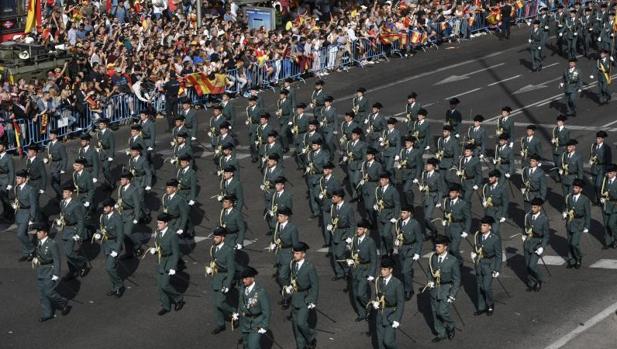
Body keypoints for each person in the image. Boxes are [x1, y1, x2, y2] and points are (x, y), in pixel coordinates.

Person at [32, 223, 71, 322]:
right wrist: (36, 259)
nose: (37, 233)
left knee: (49, 292)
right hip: (41, 270)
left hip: (50, 270)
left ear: (45, 233)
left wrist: (56, 274)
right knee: (42, 294)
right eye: (37, 232)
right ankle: (47, 313)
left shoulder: (52, 243)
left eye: (40, 232)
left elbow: (57, 260)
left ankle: (63, 303)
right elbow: (39, 254)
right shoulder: (39, 242)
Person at [284, 242, 319, 349]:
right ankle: (301, 346)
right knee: (297, 329)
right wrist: (290, 287)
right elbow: (293, 279)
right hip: (295, 298)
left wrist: (312, 300)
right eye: (294, 253)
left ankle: (311, 337)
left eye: (297, 253)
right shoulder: (293, 265)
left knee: (301, 323)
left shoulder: (309, 267)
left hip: (305, 298)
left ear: (303, 254)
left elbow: (315, 285)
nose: (295, 255)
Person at [428, 235, 461, 343]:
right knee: (434, 312)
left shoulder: (452, 260)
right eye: (436, 246)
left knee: (442, 312)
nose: (436, 248)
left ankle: (451, 326)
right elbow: (430, 271)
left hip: (446, 288)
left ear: (445, 247)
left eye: (439, 246)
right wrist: (430, 281)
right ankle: (441, 333)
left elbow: (457, 279)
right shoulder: (433, 257)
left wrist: (452, 295)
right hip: (435, 289)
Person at [151, 212, 185, 316]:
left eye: (160, 223)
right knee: (160, 286)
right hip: (161, 260)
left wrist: (173, 267)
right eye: (157, 223)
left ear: (166, 223)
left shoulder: (172, 235)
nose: (158, 225)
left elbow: (175, 253)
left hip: (170, 260)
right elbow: (159, 246)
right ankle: (166, 306)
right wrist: (155, 250)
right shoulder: (158, 233)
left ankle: (178, 298)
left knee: (165, 285)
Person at [232, 266, 271, 349]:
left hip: (256, 323)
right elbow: (241, 303)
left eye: (246, 278)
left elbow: (266, 310)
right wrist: (237, 313)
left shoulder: (260, 292)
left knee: (253, 346)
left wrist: (264, 326)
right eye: (243, 278)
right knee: (246, 345)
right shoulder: (242, 289)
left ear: (252, 278)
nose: (243, 280)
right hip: (244, 322)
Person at [370, 256, 404, 349]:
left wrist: (397, 319)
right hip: (380, 314)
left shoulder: (397, 284)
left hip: (391, 315)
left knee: (388, 341)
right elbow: (378, 295)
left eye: (385, 270)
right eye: (381, 269)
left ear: (391, 270)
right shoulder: (378, 280)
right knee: (380, 343)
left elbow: (401, 303)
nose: (382, 271)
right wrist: (376, 302)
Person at [58, 183, 90, 280]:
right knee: (67, 253)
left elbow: (80, 220)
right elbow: (63, 214)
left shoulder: (75, 205)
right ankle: (72, 271)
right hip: (66, 229)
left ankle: (83, 263)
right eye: (64, 192)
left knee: (69, 252)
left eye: (66, 192)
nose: (64, 194)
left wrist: (78, 234)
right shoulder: (62, 203)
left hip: (73, 229)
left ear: (71, 193)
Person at [269, 207, 299, 308]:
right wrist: (273, 244)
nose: (278, 217)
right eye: (278, 215)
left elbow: (295, 244)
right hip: (280, 254)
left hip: (288, 254)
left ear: (286, 217)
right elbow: (275, 237)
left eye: (281, 216)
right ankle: (288, 294)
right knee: (284, 277)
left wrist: (295, 257)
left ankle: (287, 296)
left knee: (282, 276)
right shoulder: (278, 225)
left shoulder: (292, 228)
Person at [472, 217, 502, 316]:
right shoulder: (478, 236)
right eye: (481, 225)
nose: (482, 227)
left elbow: (498, 255)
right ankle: (481, 307)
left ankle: (490, 304)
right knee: (479, 287)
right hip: (479, 264)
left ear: (489, 227)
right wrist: (474, 254)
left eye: (484, 225)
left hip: (489, 264)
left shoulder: (495, 238)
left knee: (486, 287)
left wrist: (497, 269)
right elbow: (476, 247)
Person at [347, 220, 377, 322]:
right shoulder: (354, 240)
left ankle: (369, 307)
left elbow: (374, 259)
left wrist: (372, 273)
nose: (358, 231)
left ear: (365, 230)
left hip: (365, 269)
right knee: (355, 294)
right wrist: (350, 260)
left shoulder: (370, 242)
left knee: (361, 293)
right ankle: (362, 313)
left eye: (360, 229)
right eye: (357, 229)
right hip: (355, 269)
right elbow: (353, 253)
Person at [95, 197, 125, 297]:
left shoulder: (117, 218)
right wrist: (99, 234)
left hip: (115, 244)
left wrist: (116, 250)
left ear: (112, 208)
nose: (104, 209)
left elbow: (120, 235)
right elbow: (102, 229)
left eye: (106, 207)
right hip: (106, 244)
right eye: (104, 207)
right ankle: (114, 287)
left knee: (109, 267)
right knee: (112, 267)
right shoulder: (103, 217)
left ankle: (119, 285)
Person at [394, 206, 422, 301]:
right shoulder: (399, 222)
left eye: (404, 213)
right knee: (405, 270)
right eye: (401, 212)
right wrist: (397, 241)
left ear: (409, 213)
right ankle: (408, 284)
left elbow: (419, 239)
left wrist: (417, 252)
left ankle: (408, 290)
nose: (402, 214)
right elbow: (398, 233)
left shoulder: (415, 224)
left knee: (405, 271)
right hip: (402, 249)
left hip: (411, 249)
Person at [523, 198, 550, 292]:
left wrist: (542, 247)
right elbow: (525, 227)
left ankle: (539, 279)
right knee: (527, 265)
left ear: (539, 208)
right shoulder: (528, 216)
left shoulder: (544, 219)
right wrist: (524, 235)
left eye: (535, 207)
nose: (532, 209)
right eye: (532, 207)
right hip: (528, 242)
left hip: (537, 244)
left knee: (532, 265)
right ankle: (531, 283)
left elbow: (546, 235)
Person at [328, 188, 355, 280]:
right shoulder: (333, 207)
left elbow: (352, 224)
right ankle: (339, 273)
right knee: (335, 254)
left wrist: (350, 236)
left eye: (334, 197)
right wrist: (330, 226)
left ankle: (347, 271)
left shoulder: (348, 208)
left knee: (340, 254)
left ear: (340, 198)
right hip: (335, 233)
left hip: (344, 233)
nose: (332, 198)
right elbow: (333, 219)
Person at [563, 179, 591, 269]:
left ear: (580, 189)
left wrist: (587, 226)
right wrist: (564, 213)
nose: (574, 189)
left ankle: (578, 258)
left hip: (579, 223)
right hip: (570, 222)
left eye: (576, 188)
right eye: (574, 187)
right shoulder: (569, 197)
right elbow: (566, 207)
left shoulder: (585, 199)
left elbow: (588, 214)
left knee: (574, 243)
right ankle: (571, 260)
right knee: (569, 243)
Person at [441, 184, 471, 266]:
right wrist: (444, 219)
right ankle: (452, 262)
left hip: (458, 227)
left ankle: (460, 260)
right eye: (450, 192)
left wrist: (466, 230)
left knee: (454, 248)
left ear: (457, 194)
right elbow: (446, 211)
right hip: (448, 226)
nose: (451, 194)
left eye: (453, 192)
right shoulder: (447, 201)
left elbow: (468, 218)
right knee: (449, 247)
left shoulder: (463, 204)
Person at [14, 169, 38, 262]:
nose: (17, 180)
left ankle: (32, 249)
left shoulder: (30, 189)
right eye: (16, 178)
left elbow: (33, 205)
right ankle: (27, 253)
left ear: (24, 179)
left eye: (19, 178)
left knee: (20, 234)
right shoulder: (17, 188)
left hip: (27, 213)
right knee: (23, 234)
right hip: (19, 213)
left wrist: (32, 217)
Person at [482, 170, 509, 236]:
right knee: (487, 232)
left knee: (495, 231)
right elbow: (484, 196)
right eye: (489, 177)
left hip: (497, 212)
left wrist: (503, 215)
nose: (489, 179)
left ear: (496, 178)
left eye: (491, 177)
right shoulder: (487, 186)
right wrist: (484, 202)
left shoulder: (502, 189)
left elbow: (505, 203)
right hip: (488, 212)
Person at [590, 131, 612, 204]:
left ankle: (600, 199)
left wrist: (608, 171)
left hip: (602, 168)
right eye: (597, 138)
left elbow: (609, 160)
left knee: (598, 185)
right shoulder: (593, 146)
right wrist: (591, 161)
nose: (597, 140)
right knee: (594, 185)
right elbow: (591, 155)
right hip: (594, 168)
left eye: (599, 138)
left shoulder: (606, 148)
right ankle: (597, 199)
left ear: (603, 139)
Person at [45, 129, 67, 200]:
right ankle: (59, 195)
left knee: (53, 183)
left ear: (56, 135)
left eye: (51, 134)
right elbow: (50, 155)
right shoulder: (50, 144)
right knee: (57, 182)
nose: (50, 135)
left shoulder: (60, 145)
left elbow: (64, 157)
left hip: (58, 164)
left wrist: (63, 168)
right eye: (50, 134)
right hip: (53, 164)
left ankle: (62, 195)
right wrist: (47, 160)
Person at [96, 118, 116, 188]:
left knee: (106, 168)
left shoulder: (110, 133)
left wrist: (111, 156)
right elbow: (100, 143)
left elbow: (112, 146)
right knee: (104, 170)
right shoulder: (99, 133)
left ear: (105, 125)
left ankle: (112, 182)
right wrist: (98, 149)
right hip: (102, 153)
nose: (99, 125)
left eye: (101, 124)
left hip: (108, 153)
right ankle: (108, 183)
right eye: (99, 124)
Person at [601, 165, 617, 249]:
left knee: (611, 224)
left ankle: (615, 239)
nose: (608, 175)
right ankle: (608, 242)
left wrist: (609, 195)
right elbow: (602, 190)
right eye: (608, 173)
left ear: (615, 173)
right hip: (607, 205)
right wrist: (603, 197)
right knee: (606, 224)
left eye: (610, 173)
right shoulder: (605, 180)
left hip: (615, 206)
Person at [0, 141, 15, 221]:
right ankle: (6, 213)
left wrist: (10, 183)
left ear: (4, 147)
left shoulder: (8, 157)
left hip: (5, 179)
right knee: (2, 199)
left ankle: (11, 214)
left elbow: (12, 171)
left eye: (0, 146)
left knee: (6, 199)